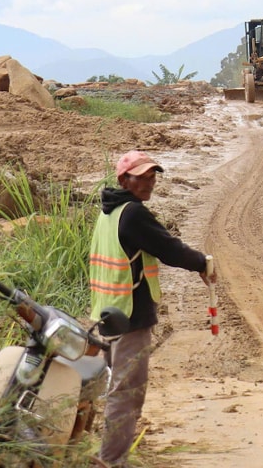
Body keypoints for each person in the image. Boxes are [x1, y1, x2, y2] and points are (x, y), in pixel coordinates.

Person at [89, 149, 215, 468]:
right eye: (140, 177)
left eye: (152, 176)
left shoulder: (109, 212)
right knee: (126, 392)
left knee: (117, 388)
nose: (149, 183)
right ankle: (111, 460)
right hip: (129, 316)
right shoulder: (133, 214)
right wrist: (202, 263)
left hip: (108, 313)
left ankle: (107, 453)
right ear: (124, 180)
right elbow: (168, 248)